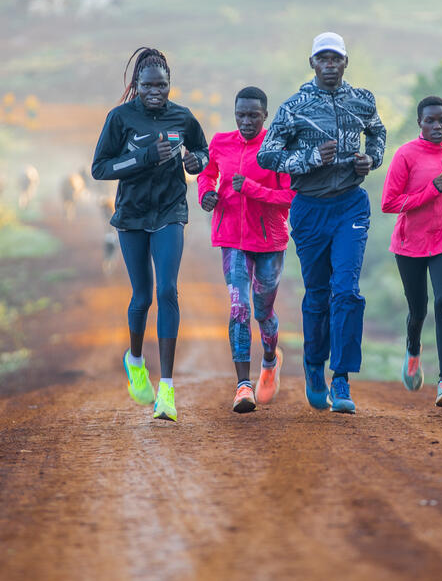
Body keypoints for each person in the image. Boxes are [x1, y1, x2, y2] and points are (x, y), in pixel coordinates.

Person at [258, 32, 387, 414]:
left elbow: (378, 133)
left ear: (345, 62)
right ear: (312, 63)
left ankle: (342, 378)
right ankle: (314, 366)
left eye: (336, 59)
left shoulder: (362, 100)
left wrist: (372, 159)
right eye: (323, 59)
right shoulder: (294, 107)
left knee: (346, 290)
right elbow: (268, 155)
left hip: (350, 204)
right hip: (310, 208)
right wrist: (309, 158)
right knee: (317, 292)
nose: (330, 65)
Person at [91, 46, 208, 422]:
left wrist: (196, 161)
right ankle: (136, 360)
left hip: (171, 211)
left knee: (168, 290)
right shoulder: (120, 118)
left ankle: (167, 391)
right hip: (132, 215)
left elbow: (202, 151)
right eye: (148, 86)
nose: (155, 91)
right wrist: (145, 158)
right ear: (136, 86)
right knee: (142, 296)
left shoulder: (184, 117)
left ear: (170, 84)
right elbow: (100, 168)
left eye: (162, 85)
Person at [197, 86, 291, 414]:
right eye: (240, 115)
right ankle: (242, 386)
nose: (246, 121)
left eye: (253, 115)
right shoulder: (221, 142)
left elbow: (289, 198)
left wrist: (250, 189)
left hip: (269, 241)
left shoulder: (277, 147)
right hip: (231, 239)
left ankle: (269, 360)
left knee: (263, 313)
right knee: (239, 307)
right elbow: (207, 175)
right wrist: (207, 194)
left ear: (265, 115)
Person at [381, 96, 442, 408]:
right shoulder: (406, 154)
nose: (437, 126)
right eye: (430, 121)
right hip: (410, 245)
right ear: (419, 122)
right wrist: (429, 192)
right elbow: (389, 203)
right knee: (418, 309)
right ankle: (413, 350)